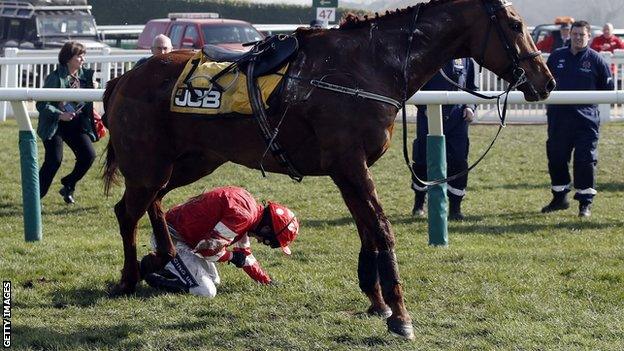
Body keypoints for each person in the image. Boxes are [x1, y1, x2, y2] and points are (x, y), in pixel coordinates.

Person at [142, 186, 300, 298]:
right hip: (169, 239)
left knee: (215, 280)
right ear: (266, 229)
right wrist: (230, 257)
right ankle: (151, 270)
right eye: (270, 242)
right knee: (206, 292)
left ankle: (170, 269)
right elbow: (207, 250)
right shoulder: (244, 216)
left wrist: (266, 281)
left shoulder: (249, 209)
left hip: (180, 237)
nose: (261, 242)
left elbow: (244, 255)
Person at [542, 20, 613, 217]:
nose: (578, 38)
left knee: (585, 160)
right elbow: (545, 84)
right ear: (569, 35)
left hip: (586, 122)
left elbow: (606, 91)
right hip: (558, 119)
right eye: (575, 34)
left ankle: (585, 203)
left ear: (589, 37)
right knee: (556, 158)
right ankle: (559, 198)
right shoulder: (556, 57)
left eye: (582, 35)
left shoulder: (597, 61)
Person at [411, 58, 478, 221]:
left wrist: (470, 106)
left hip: (458, 118)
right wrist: (424, 107)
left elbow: (472, 87)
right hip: (430, 116)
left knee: (458, 161)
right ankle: (419, 203)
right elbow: (415, 85)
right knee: (423, 160)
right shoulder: (430, 52)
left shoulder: (467, 59)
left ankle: (455, 208)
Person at [36, 41, 97, 204]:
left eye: (84, 55)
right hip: (54, 125)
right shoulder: (54, 78)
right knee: (54, 160)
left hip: (75, 124)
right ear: (68, 58)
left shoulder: (87, 76)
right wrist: (59, 115)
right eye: (79, 55)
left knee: (88, 156)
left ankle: (68, 184)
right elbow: (41, 104)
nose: (83, 59)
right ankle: (34, 198)